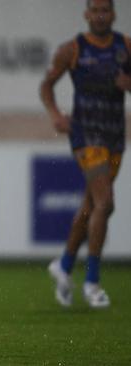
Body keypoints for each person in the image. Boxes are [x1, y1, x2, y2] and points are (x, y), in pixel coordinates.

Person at [40, 0, 131, 308]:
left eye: (106, 10)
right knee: (105, 203)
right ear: (87, 14)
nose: (101, 15)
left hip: (115, 137)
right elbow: (47, 84)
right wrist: (54, 114)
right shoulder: (73, 49)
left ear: (113, 14)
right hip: (85, 137)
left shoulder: (126, 46)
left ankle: (64, 265)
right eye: (96, 10)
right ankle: (92, 282)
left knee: (92, 206)